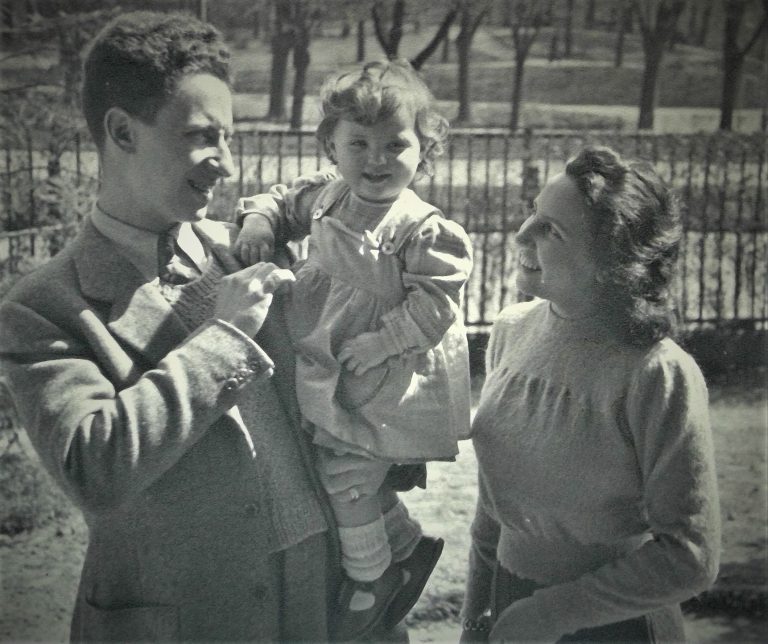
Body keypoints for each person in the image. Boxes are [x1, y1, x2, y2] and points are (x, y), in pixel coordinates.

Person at [0, 12, 416, 641]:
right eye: (201, 137)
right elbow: (92, 468)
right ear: (121, 131)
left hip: (323, 603)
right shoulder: (45, 306)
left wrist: (383, 463)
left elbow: (351, 370)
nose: (225, 164)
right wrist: (223, 340)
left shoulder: (245, 249)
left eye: (229, 138)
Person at [235, 60, 474, 639]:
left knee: (347, 478)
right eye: (359, 144)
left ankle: (370, 583)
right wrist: (260, 224)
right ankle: (401, 546)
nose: (376, 159)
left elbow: (437, 302)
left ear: (425, 150)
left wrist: (385, 340)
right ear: (331, 147)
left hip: (377, 373)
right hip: (325, 359)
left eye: (396, 145)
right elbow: (278, 201)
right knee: (330, 468)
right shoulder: (324, 196)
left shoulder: (419, 227)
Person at [460, 146, 721, 643]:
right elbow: (492, 511)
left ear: (612, 261)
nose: (521, 235)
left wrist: (550, 615)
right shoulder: (512, 330)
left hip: (616, 626)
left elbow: (691, 556)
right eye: (532, 213)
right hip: (510, 610)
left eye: (551, 230)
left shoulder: (656, 373)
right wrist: (475, 621)